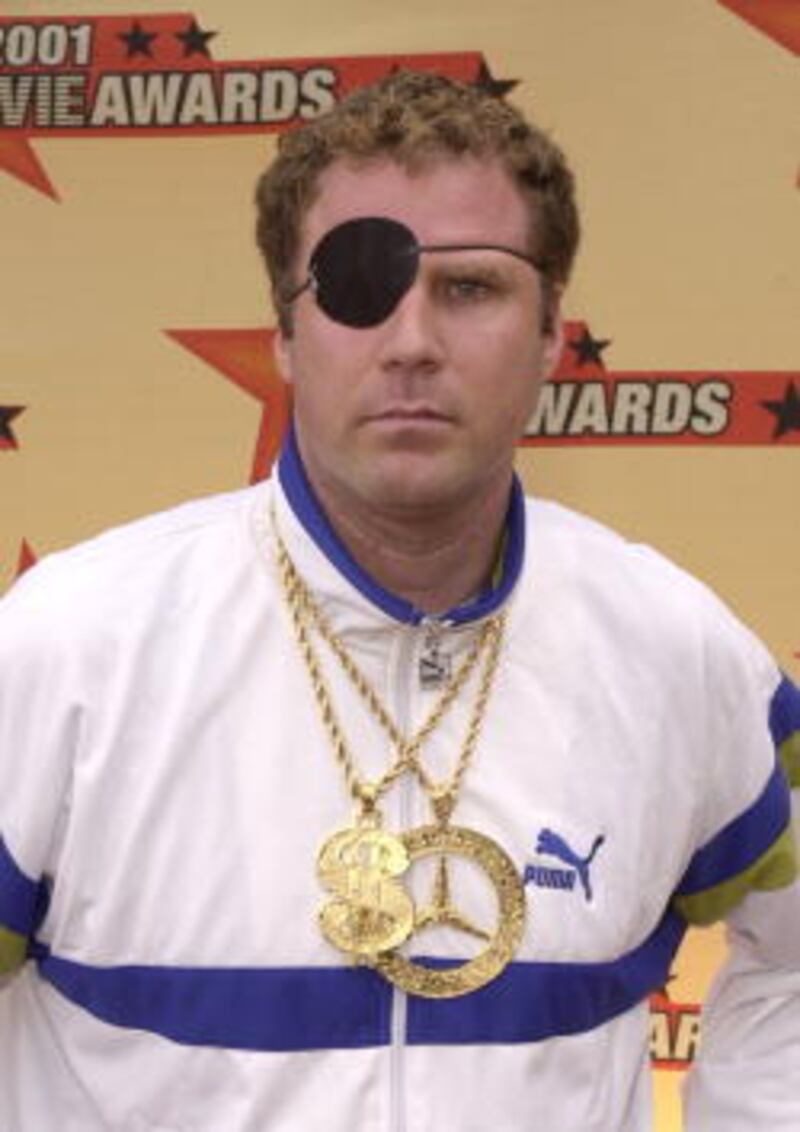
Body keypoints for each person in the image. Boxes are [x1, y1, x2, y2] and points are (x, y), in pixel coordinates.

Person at [0, 70, 798, 1132]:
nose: (412, 340)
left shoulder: (674, 650)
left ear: (550, 333)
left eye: (469, 288)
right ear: (286, 336)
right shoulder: (65, 649)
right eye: (357, 286)